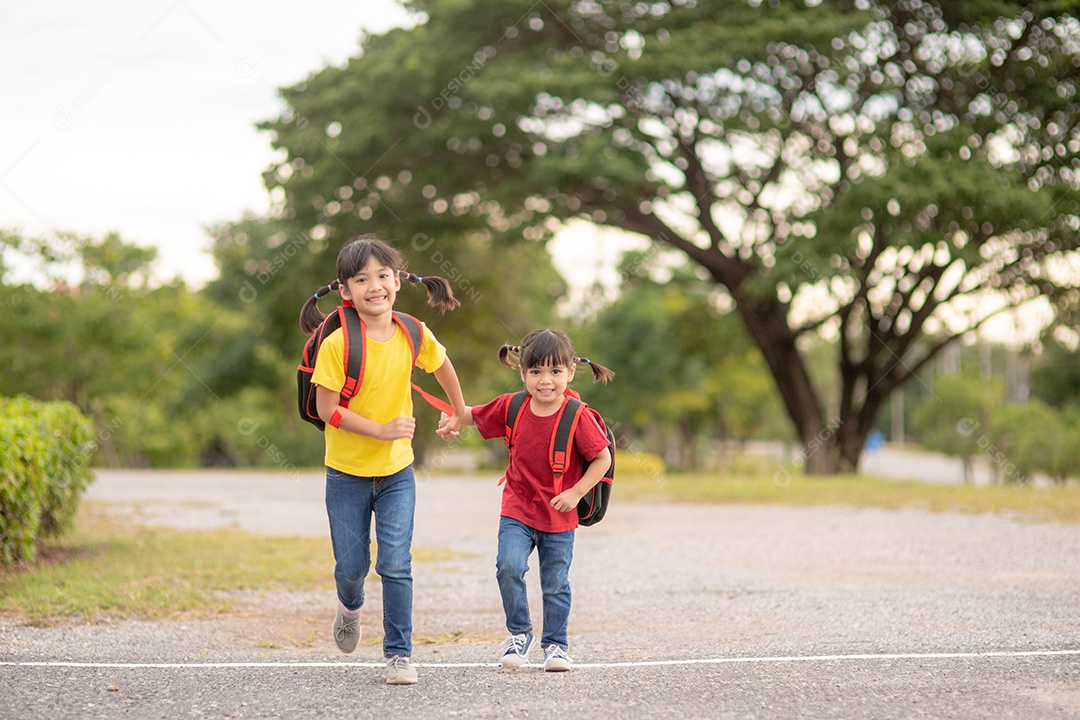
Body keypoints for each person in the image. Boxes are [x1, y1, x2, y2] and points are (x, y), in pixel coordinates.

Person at [299, 234, 467, 685]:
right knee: (351, 568)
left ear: (397, 280)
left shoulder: (413, 331)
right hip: (347, 473)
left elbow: (442, 364)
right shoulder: (338, 344)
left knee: (395, 561)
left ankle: (399, 654)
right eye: (361, 279)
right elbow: (325, 408)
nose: (374, 286)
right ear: (345, 289)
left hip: (397, 472)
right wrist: (379, 430)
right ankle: (349, 607)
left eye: (382, 275)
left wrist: (459, 409)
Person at [437, 329, 613, 672]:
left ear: (570, 372)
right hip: (517, 508)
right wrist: (454, 417)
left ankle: (556, 645)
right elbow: (473, 413)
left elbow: (602, 458)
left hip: (560, 515)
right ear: (523, 373)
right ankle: (519, 634)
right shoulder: (512, 406)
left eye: (555, 372)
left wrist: (576, 492)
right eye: (535, 372)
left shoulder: (578, 416)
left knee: (555, 583)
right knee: (508, 567)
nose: (545, 381)